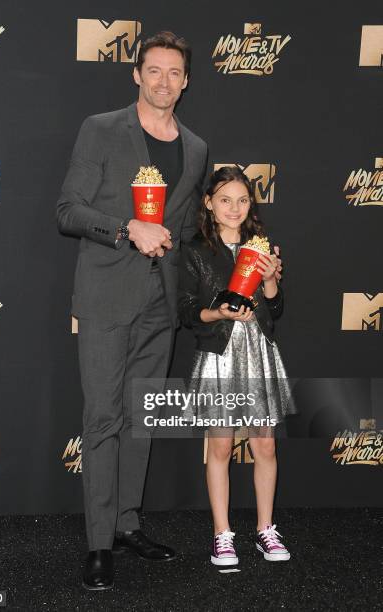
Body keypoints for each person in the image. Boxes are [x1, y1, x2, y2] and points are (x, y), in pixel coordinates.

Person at [57, 31, 208, 590]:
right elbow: (67, 209)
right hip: (105, 298)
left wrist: (246, 263)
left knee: (141, 420)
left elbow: (189, 233)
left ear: (186, 80)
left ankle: (126, 523)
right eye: (154, 70)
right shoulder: (100, 129)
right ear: (136, 74)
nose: (164, 81)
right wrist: (125, 228)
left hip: (160, 305)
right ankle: (99, 544)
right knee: (103, 420)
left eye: (174, 72)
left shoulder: (195, 147)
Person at [177, 166, 296, 568]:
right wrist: (218, 312)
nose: (235, 208)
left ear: (251, 204)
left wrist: (271, 282)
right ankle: (222, 534)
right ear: (209, 204)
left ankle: (266, 529)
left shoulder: (261, 244)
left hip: (259, 351)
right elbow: (187, 311)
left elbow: (275, 309)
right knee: (222, 446)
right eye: (225, 200)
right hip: (219, 354)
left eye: (243, 200)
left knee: (265, 444)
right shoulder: (194, 249)